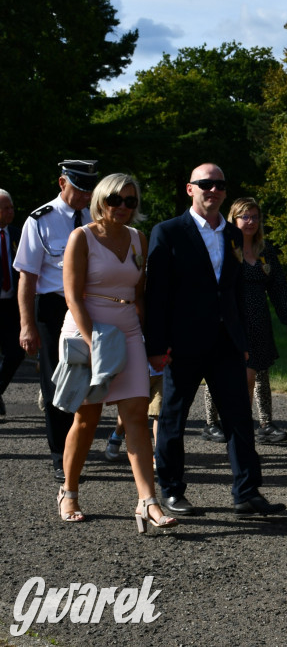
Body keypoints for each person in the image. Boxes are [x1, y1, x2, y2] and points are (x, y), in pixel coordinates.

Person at [144, 163, 285, 518]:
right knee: (173, 419)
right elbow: (156, 293)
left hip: (227, 342)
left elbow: (235, 291)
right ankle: (172, 491)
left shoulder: (233, 234)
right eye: (205, 183)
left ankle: (247, 492)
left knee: (239, 418)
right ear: (190, 189)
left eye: (220, 184)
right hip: (182, 343)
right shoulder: (168, 231)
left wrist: (243, 339)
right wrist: (156, 347)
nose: (213, 190)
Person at [56, 173, 177, 533]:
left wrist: (150, 343)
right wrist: (94, 343)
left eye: (130, 201)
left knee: (136, 416)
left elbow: (139, 295)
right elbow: (73, 297)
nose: (123, 207)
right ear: (101, 200)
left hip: (128, 330)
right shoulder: (82, 237)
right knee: (87, 418)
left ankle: (148, 502)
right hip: (88, 329)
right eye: (115, 200)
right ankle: (69, 491)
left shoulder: (139, 238)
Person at [14, 160, 94, 481]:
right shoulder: (40, 220)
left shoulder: (95, 215)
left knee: (88, 379)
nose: (85, 197)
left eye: (89, 191)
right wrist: (27, 324)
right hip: (53, 307)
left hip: (89, 305)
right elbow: (27, 276)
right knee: (55, 382)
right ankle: (60, 454)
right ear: (62, 183)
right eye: (79, 190)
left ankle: (79, 444)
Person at [201, 197, 287, 444]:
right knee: (222, 371)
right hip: (230, 320)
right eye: (244, 216)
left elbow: (279, 288)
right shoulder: (224, 248)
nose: (250, 221)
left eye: (255, 217)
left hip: (259, 320)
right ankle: (212, 424)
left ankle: (265, 424)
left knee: (260, 370)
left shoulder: (265, 251)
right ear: (233, 220)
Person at [0, 190, 25, 422]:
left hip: (11, 305)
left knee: (16, 352)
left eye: (12, 207)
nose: (11, 212)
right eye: (6, 208)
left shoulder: (18, 234)